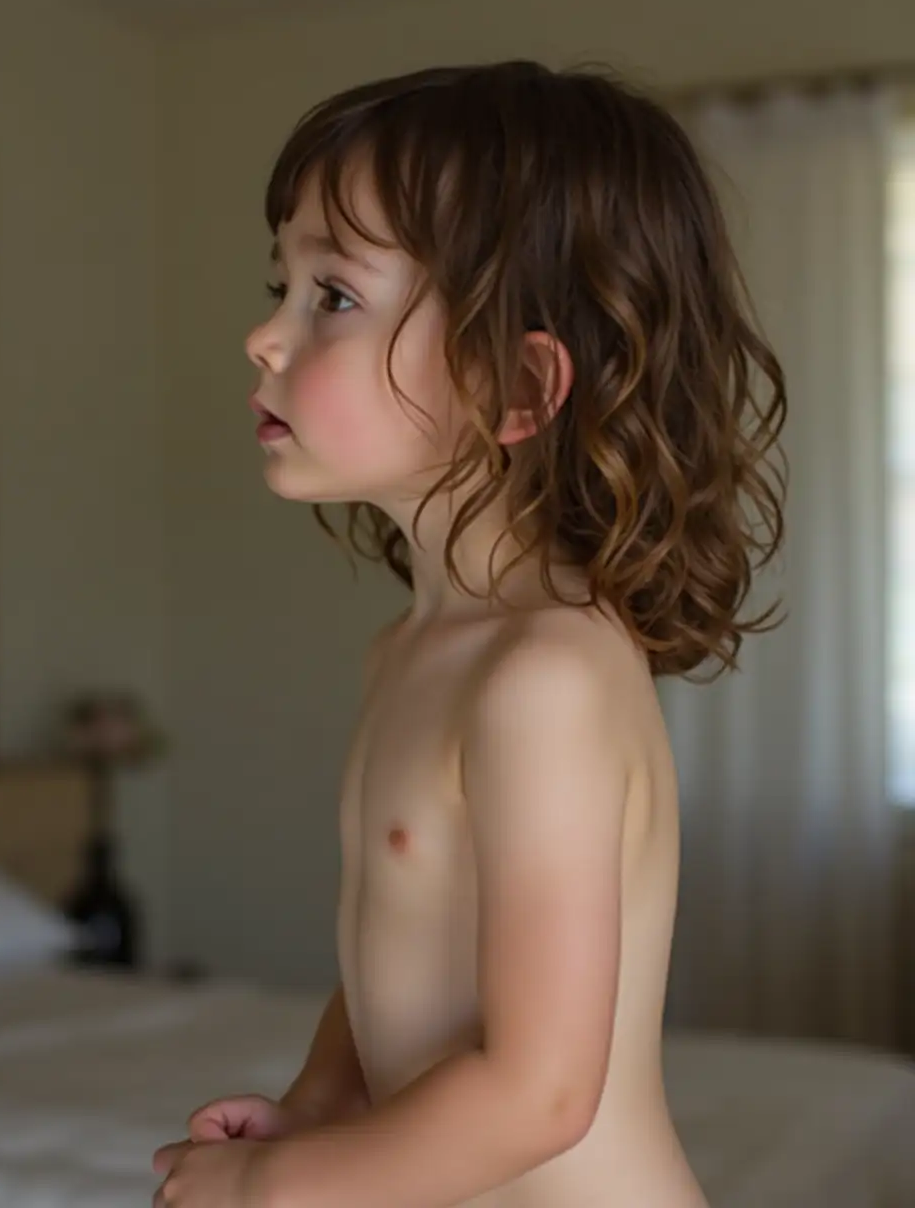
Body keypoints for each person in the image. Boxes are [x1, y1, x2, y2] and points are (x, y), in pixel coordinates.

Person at [152, 59, 786, 1208]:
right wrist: (322, 1100)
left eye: (330, 296)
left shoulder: (544, 674)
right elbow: (398, 945)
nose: (263, 334)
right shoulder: (409, 652)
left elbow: (541, 1090)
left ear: (512, 384)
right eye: (279, 287)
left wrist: (271, 1187)